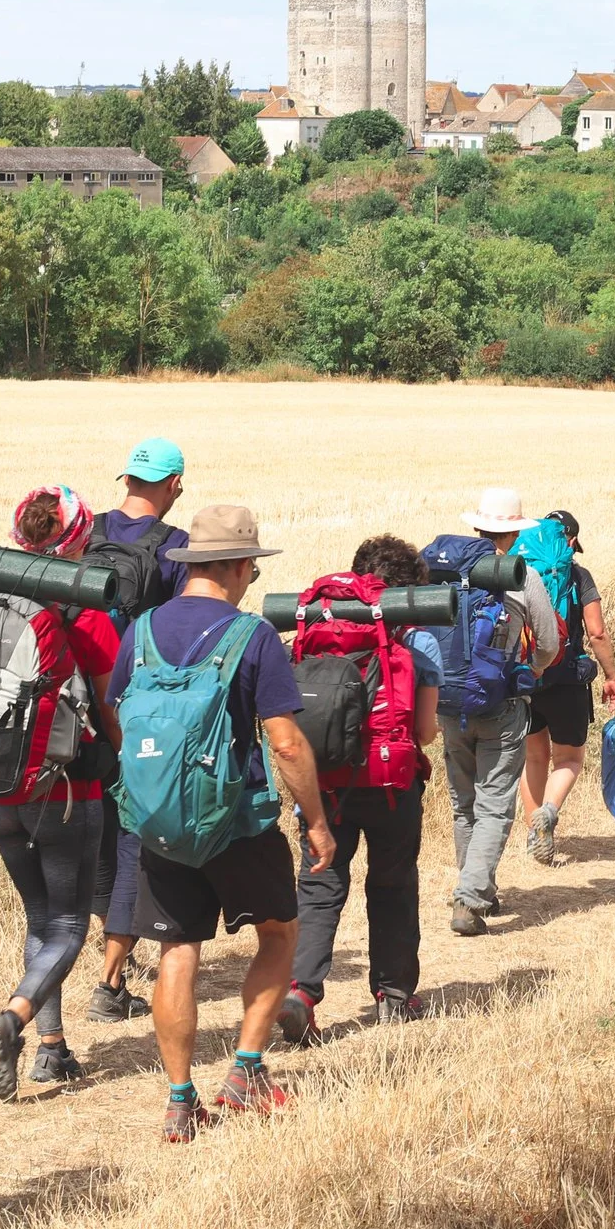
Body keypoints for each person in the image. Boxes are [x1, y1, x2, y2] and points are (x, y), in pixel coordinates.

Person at [120, 504, 336, 1143]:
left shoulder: (142, 631)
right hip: (237, 822)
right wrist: (316, 821)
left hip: (160, 822)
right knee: (279, 934)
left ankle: (179, 1102)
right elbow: (286, 743)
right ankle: (246, 1072)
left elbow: (120, 720)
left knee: (177, 952)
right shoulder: (253, 636)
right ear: (241, 565)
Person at [0, 486, 123, 1098]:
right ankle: (14, 1019)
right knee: (69, 925)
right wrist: (126, 763)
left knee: (39, 916)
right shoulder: (83, 611)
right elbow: (110, 705)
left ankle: (52, 1049)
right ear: (78, 538)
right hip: (66, 791)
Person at [280, 534, 441, 1044]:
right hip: (391, 784)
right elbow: (425, 732)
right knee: (393, 885)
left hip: (323, 782)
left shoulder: (314, 629)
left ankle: (301, 993)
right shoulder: (417, 640)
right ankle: (393, 995)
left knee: (319, 887)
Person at [84, 438, 191, 1026]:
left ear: (126, 479)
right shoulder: (175, 547)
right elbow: (175, 636)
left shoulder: (87, 532)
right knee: (131, 840)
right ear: (174, 484)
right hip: (134, 711)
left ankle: (108, 961)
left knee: (97, 836)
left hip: (76, 706)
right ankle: (110, 981)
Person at [438, 488, 562, 937]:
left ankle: (479, 889)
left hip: (448, 703)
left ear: (477, 526)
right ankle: (470, 900)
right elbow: (548, 643)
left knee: (463, 805)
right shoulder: (520, 575)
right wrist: (533, 669)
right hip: (502, 703)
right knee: (493, 807)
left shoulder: (446, 574)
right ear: (513, 533)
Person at [519, 509, 612, 867]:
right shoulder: (577, 574)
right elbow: (597, 633)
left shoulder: (519, 570)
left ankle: (533, 834)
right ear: (570, 540)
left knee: (533, 757)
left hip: (526, 677)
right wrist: (611, 675)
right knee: (569, 759)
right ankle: (548, 812)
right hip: (566, 678)